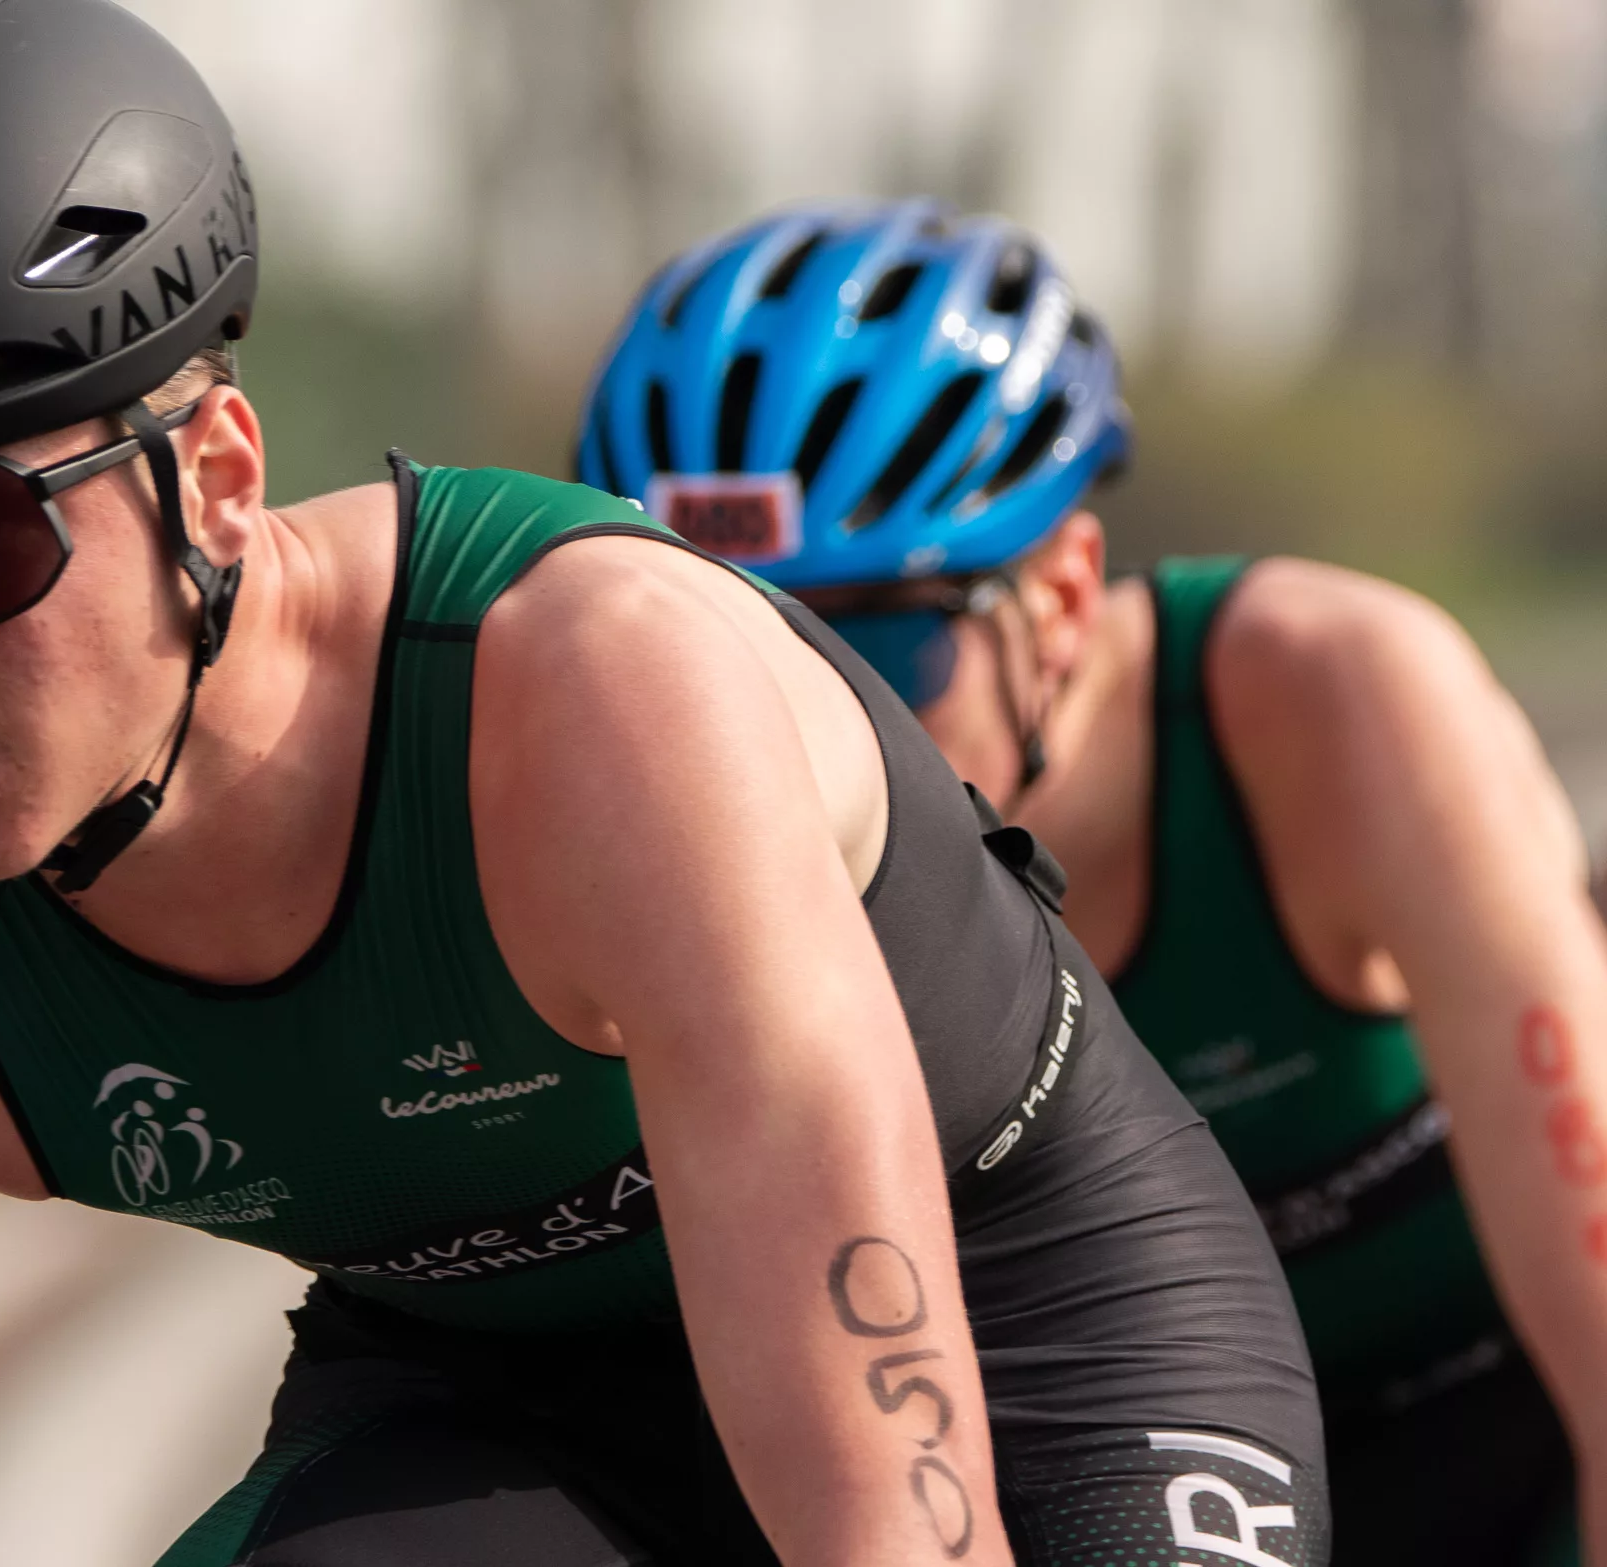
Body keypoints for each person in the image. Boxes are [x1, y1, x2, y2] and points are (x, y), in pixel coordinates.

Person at [0, 8, 1329, 1563]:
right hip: (498, 1400)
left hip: (1022, 1315)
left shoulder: (592, 692)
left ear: (215, 482)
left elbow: (884, 1515)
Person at [578, 197, 1607, 1567]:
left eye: (876, 648)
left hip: (1506, 1458)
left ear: (1060, 596)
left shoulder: (1336, 703)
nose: (801, 734)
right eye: (718, 657)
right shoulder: (622, 819)